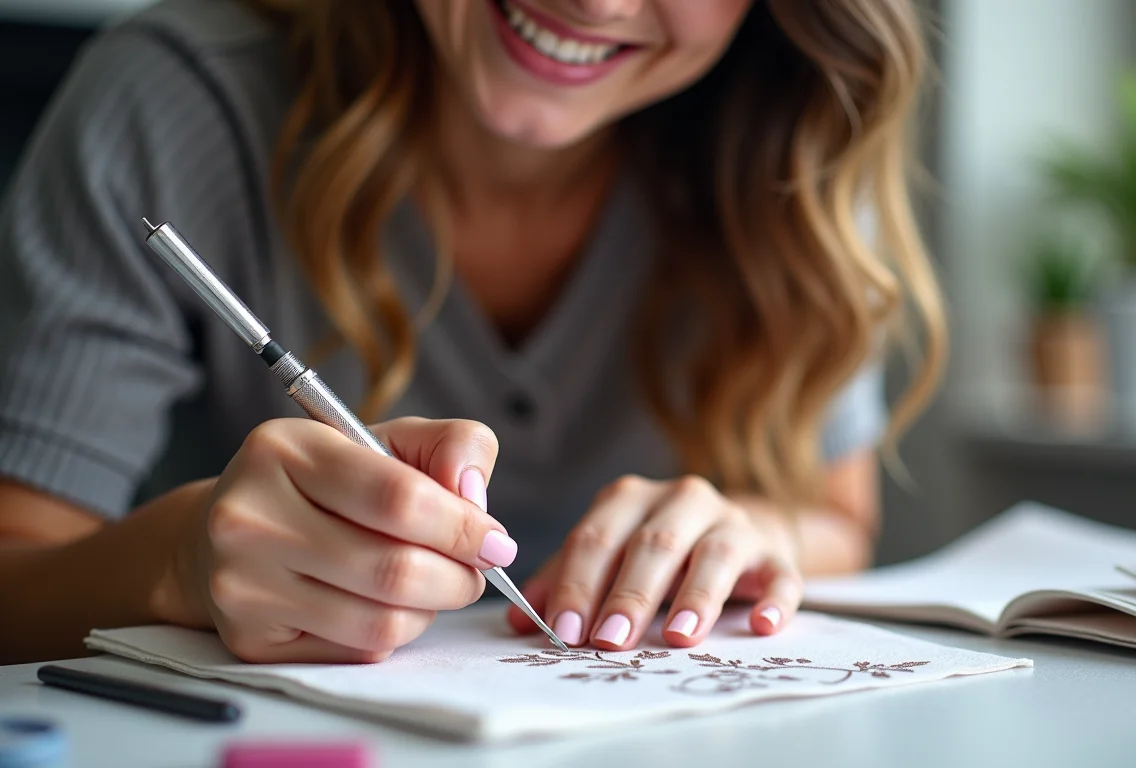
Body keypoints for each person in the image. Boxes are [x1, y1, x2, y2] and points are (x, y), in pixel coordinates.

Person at [0, 0, 945, 665]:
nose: (596, 1)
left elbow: (837, 519)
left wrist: (744, 531)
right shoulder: (178, 98)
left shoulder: (789, 145)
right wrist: (179, 560)